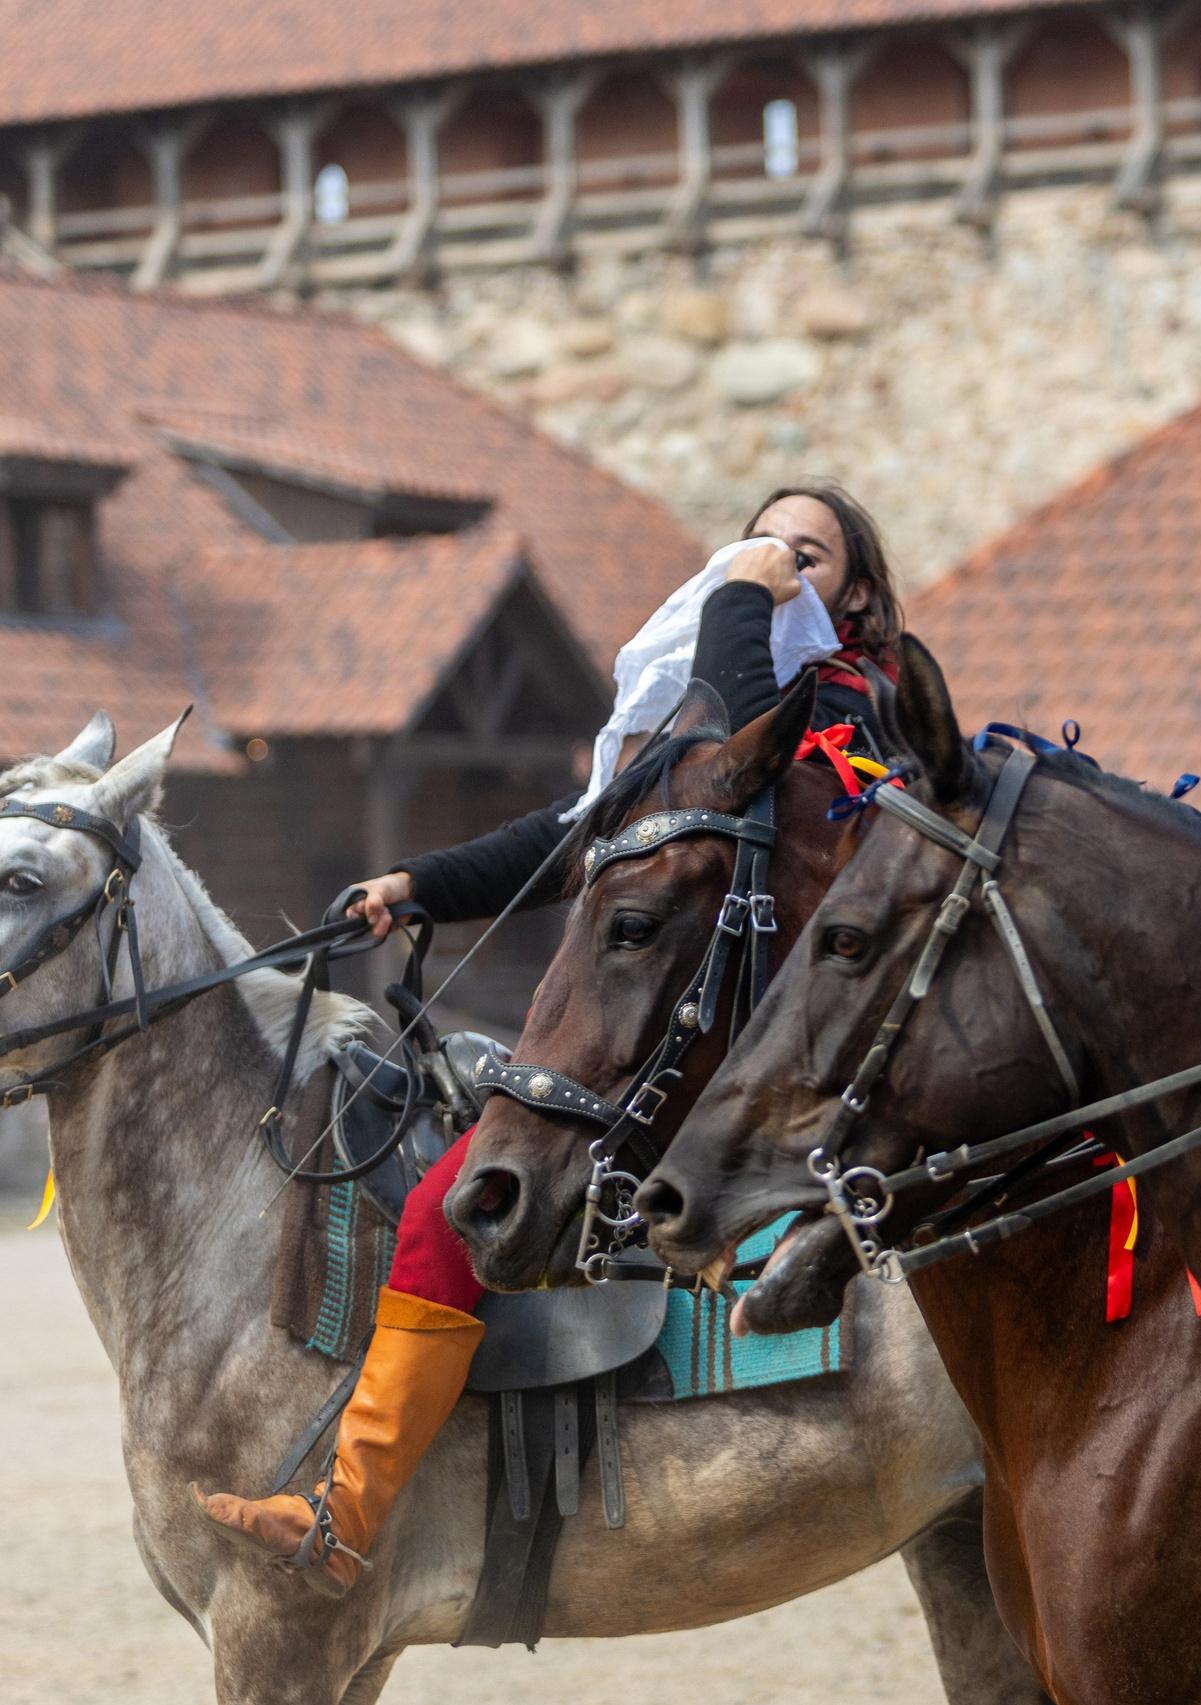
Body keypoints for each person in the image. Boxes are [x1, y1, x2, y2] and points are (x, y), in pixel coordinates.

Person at [195, 483, 906, 1595]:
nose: (774, 564)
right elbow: (567, 840)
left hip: (778, 1055)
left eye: (803, 555)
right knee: (450, 1198)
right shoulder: (686, 728)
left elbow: (752, 727)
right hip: (669, 1032)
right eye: (757, 542)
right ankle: (349, 1507)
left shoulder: (856, 714)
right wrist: (418, 885)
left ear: (856, 592)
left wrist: (737, 592)